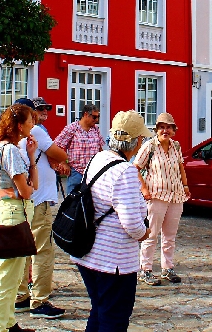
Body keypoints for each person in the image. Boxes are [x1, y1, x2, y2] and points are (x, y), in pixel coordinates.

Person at [72, 110, 152, 331]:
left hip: (89, 253)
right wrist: (145, 232)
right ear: (136, 142)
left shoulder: (98, 158)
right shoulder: (124, 170)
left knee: (99, 311)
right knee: (114, 318)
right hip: (113, 260)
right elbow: (132, 224)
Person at [14, 97, 69, 319]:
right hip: (39, 199)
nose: (42, 113)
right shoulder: (35, 131)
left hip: (23, 198)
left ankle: (20, 296)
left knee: (23, 250)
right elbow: (59, 154)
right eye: (39, 109)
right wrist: (54, 156)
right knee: (42, 250)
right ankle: (39, 300)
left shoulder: (10, 136)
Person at [0, 103, 39, 332]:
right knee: (8, 276)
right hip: (14, 212)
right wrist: (27, 185)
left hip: (11, 210)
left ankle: (9, 323)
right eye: (30, 121)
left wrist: (31, 157)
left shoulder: (5, 149)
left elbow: (32, 185)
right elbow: (27, 190)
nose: (33, 125)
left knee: (14, 274)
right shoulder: (8, 150)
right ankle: (0, 327)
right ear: (19, 125)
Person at [134, 112, 190, 286]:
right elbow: (135, 167)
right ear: (157, 129)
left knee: (170, 235)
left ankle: (167, 267)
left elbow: (181, 167)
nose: (165, 130)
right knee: (151, 234)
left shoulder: (176, 146)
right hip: (156, 195)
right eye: (162, 127)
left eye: (169, 127)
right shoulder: (149, 146)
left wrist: (186, 186)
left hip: (176, 195)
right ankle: (146, 269)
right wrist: (143, 188)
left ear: (173, 130)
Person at [54, 104, 105, 194]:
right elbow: (58, 145)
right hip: (77, 172)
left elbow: (100, 148)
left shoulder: (96, 129)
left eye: (98, 117)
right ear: (85, 115)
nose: (96, 120)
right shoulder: (72, 128)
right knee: (74, 202)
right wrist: (63, 163)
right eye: (94, 117)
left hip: (93, 172)